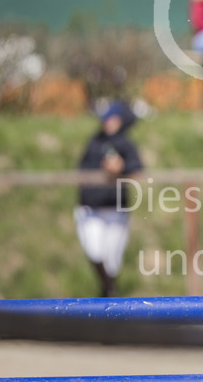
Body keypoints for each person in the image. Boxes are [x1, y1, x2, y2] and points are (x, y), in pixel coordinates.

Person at [74, 101, 143, 298]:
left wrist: (121, 168)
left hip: (115, 209)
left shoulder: (126, 143)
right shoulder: (94, 142)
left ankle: (109, 295)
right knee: (94, 252)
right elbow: (82, 171)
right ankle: (109, 291)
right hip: (92, 207)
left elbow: (137, 169)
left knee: (112, 259)